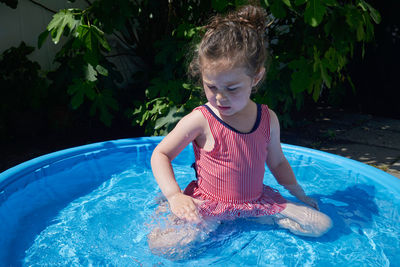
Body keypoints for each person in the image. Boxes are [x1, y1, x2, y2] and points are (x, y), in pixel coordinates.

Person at [148, 4, 332, 252]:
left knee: (321, 225)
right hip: (211, 204)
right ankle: (182, 210)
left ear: (255, 77)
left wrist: (299, 193)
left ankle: (254, 219)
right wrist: (174, 196)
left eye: (232, 89)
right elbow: (161, 154)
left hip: (255, 203)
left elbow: (277, 163)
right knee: (164, 247)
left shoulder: (268, 119)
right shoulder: (201, 119)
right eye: (211, 87)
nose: (220, 98)